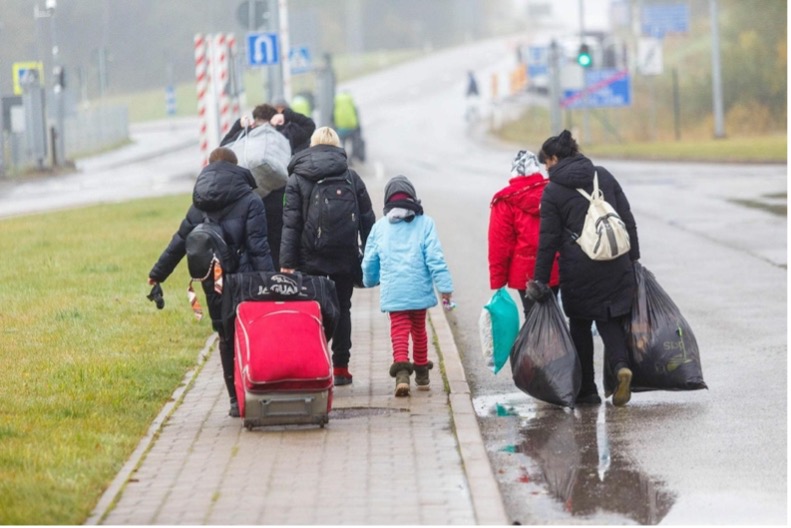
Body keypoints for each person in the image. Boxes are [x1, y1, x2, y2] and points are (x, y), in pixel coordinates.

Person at [147, 147, 275, 417]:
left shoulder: (199, 204)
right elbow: (259, 247)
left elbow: (180, 241)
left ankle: (233, 400)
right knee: (248, 333)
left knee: (225, 337)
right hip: (245, 279)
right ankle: (254, 390)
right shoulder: (251, 200)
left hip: (211, 279)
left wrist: (158, 273)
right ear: (235, 167)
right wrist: (271, 283)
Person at [527, 130, 640, 407]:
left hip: (579, 270)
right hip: (616, 262)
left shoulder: (553, 190)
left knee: (580, 324)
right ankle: (621, 367)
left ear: (555, 158)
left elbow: (548, 240)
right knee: (610, 320)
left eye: (546, 162)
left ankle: (587, 391)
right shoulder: (603, 174)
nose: (545, 168)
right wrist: (633, 259)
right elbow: (626, 218)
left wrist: (540, 281)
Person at [279, 126, 375, 386]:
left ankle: (315, 364)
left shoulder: (297, 179)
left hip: (309, 257)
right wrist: (370, 254)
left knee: (313, 310)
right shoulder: (351, 177)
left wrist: (287, 263)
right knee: (343, 309)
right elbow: (367, 219)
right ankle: (341, 367)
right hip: (345, 256)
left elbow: (291, 224)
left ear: (312, 146)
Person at [361, 175, 454, 397]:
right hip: (418, 290)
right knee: (419, 330)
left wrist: (369, 280)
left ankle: (402, 374)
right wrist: (445, 288)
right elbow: (435, 258)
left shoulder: (380, 227)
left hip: (394, 292)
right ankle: (422, 374)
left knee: (399, 330)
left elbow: (370, 260)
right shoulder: (426, 223)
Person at [221, 103, 316, 270]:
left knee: (256, 241)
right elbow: (309, 125)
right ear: (273, 120)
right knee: (280, 240)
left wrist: (239, 125)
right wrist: (286, 115)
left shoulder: (247, 136)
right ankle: (282, 276)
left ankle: (262, 279)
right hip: (281, 198)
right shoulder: (285, 133)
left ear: (254, 120)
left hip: (251, 200)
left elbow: (224, 148)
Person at [488, 150, 560, 319]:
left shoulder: (505, 200)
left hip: (525, 270)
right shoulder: (553, 191)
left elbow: (499, 243)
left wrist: (498, 282)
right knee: (552, 315)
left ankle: (536, 345)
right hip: (554, 266)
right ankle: (554, 344)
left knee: (532, 317)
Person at [332, 91, 364, 162]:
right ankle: (352, 158)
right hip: (352, 129)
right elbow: (356, 118)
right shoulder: (351, 105)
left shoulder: (336, 106)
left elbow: (333, 118)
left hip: (340, 130)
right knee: (353, 142)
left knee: (343, 143)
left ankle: (343, 158)